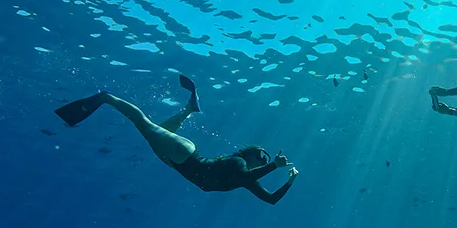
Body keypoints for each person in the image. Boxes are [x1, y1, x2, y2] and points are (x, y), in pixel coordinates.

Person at [54, 75, 299, 205]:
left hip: (177, 164)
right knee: (145, 125)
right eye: (261, 155)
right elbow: (249, 175)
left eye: (265, 159)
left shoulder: (246, 177)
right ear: (249, 154)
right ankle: (106, 98)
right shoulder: (238, 164)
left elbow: (270, 200)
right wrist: (274, 166)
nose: (262, 160)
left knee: (157, 130)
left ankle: (189, 109)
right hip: (185, 155)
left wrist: (289, 182)